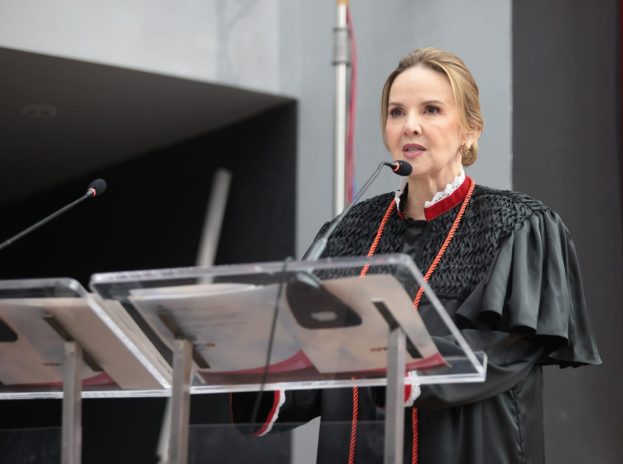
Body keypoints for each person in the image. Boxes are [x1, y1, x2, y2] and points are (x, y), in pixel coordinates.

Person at [232, 47, 601, 463]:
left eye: (431, 110)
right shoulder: (347, 232)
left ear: (470, 130)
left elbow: (504, 351)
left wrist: (399, 366)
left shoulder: (519, 224)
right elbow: (315, 363)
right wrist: (251, 356)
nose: (410, 125)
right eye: (396, 113)